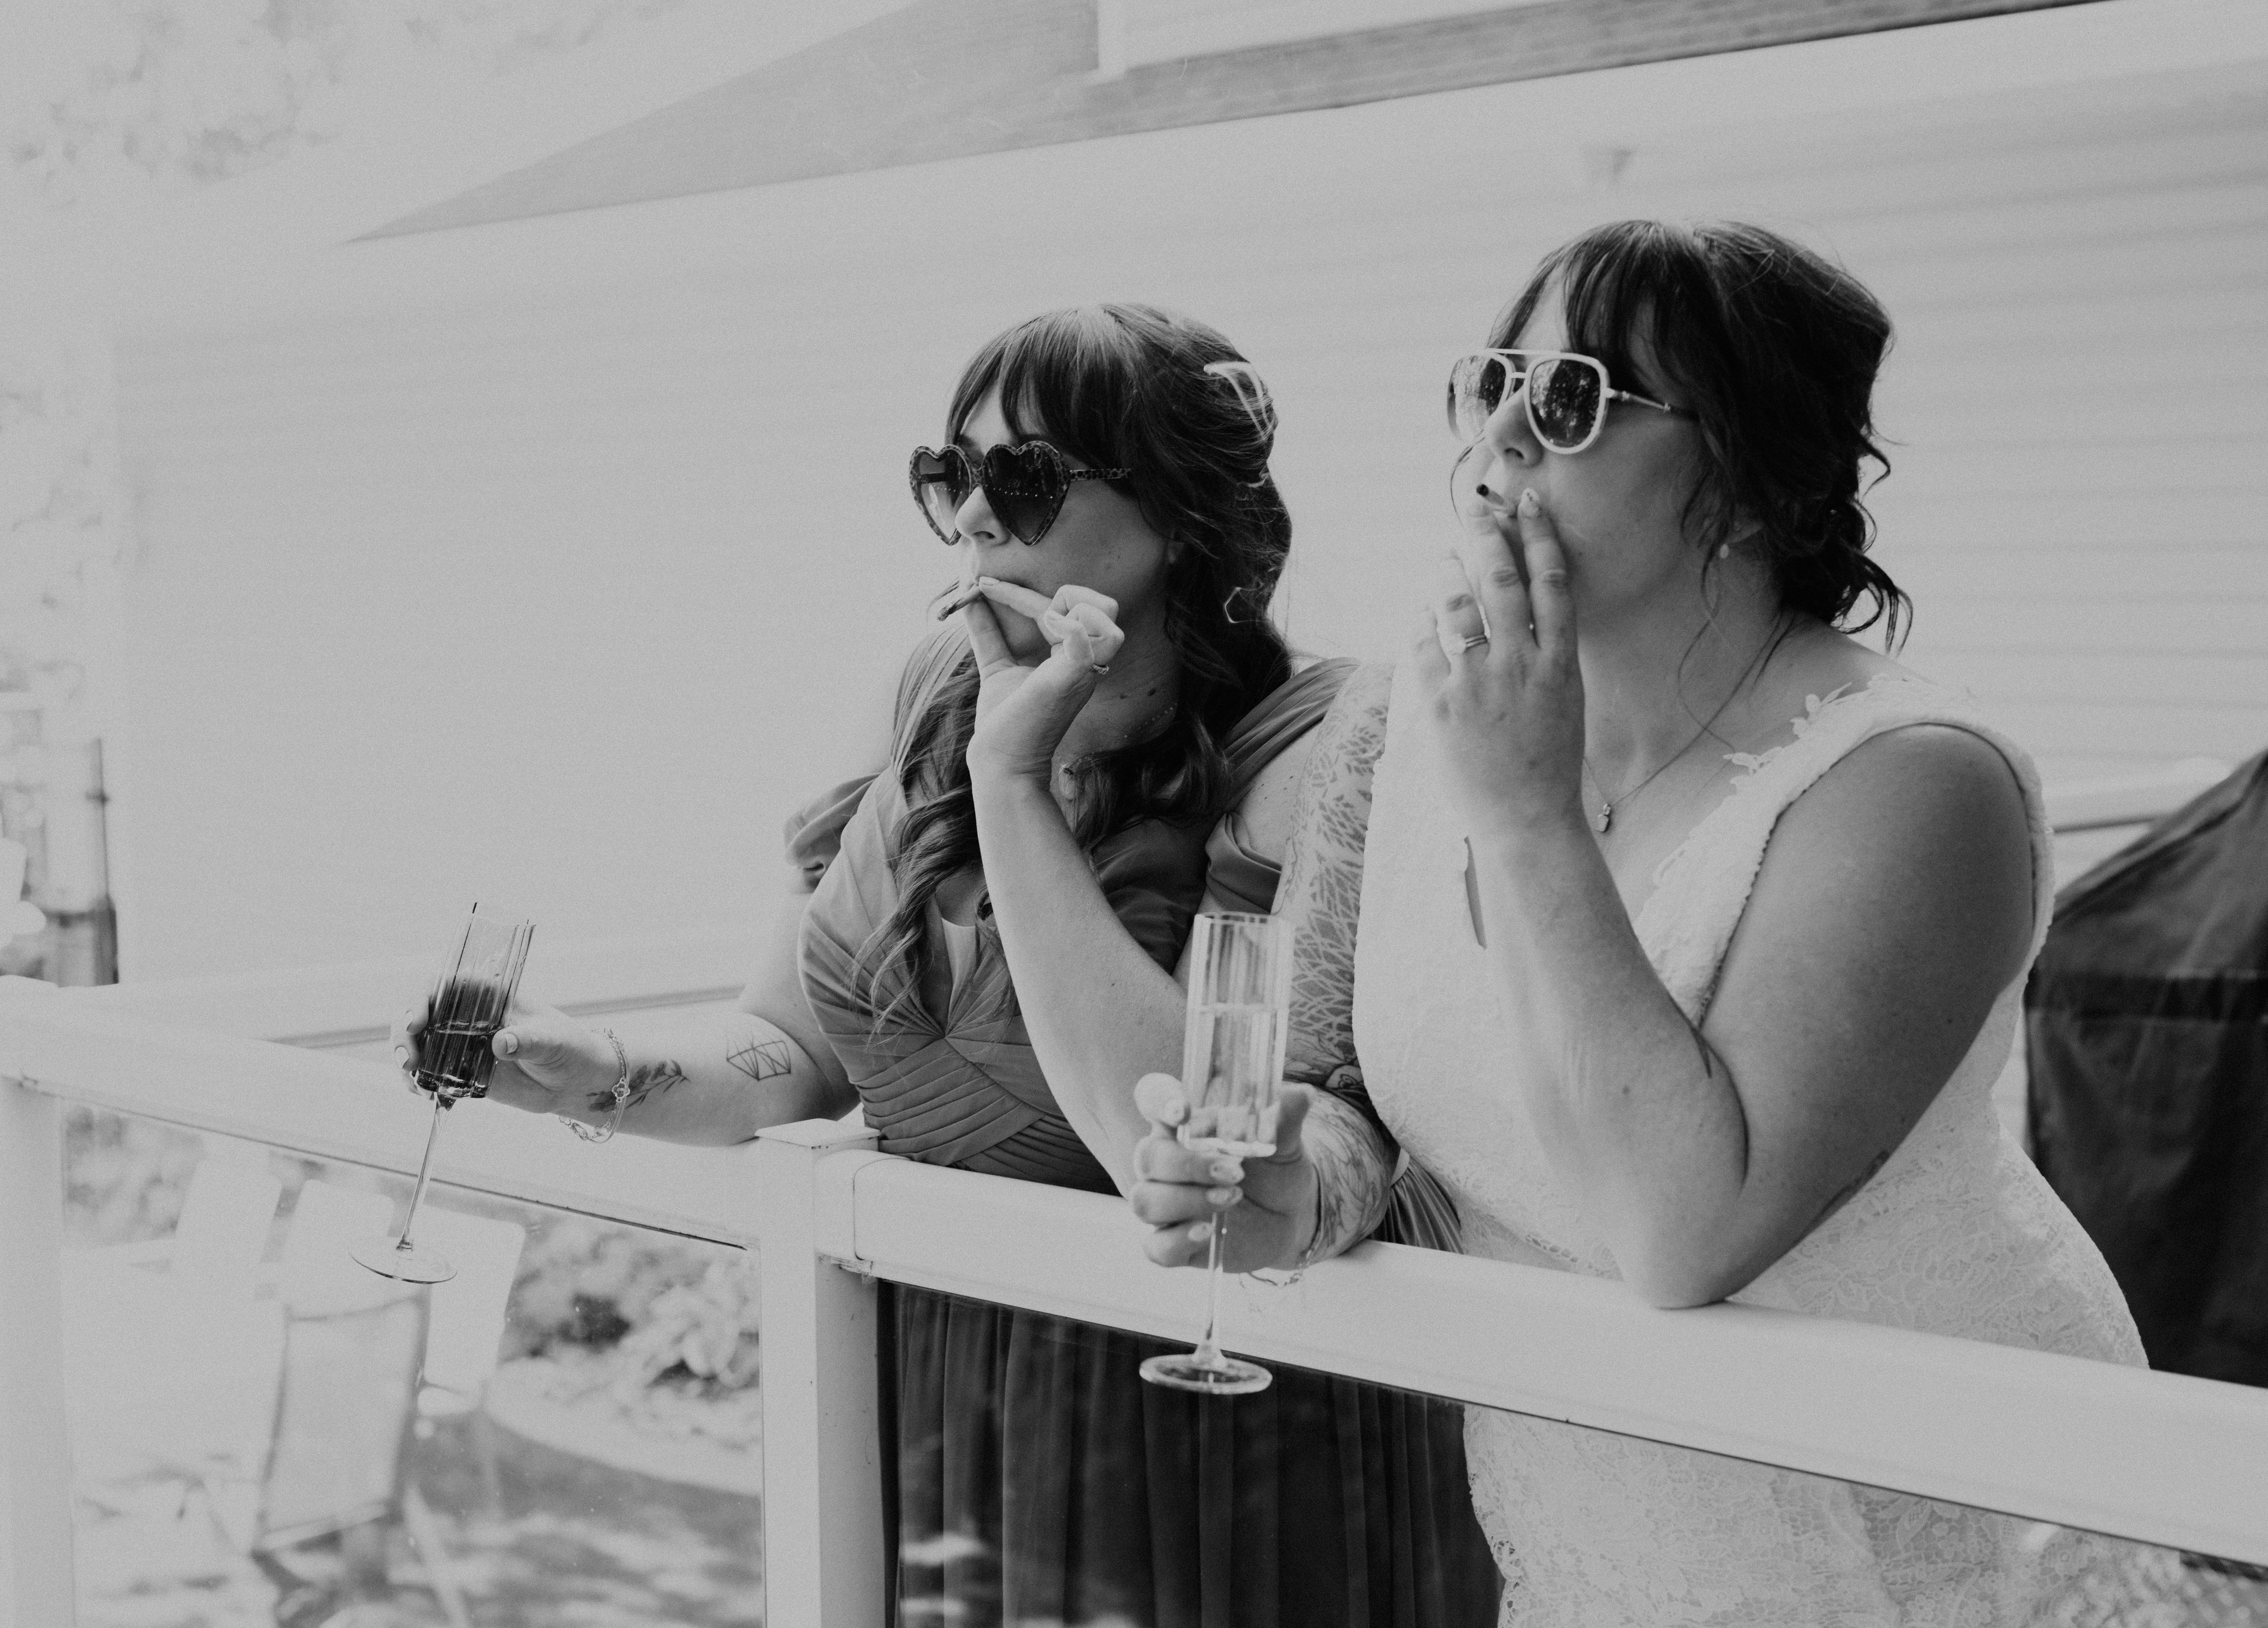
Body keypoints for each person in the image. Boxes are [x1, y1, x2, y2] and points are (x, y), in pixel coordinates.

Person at [398, 303, 1498, 1627]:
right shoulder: (933, 686)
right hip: (936, 1361)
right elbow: (792, 1051)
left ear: (1181, 515)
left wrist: (1014, 780)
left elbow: (1189, 1136)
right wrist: (595, 1070)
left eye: (1023, 477)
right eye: (950, 474)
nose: (975, 517)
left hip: (1198, 1412)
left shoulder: (1315, 748)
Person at [1129, 222, 2147, 1624]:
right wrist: (1290, 1192)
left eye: (1571, 400)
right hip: (1606, 1532)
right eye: (1490, 383)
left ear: (1739, 477)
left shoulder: (1915, 783)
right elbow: (1363, 1099)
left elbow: (1684, 1232)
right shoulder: (1416, 727)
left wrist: (1529, 816)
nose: (1500, 436)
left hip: (1934, 1529)